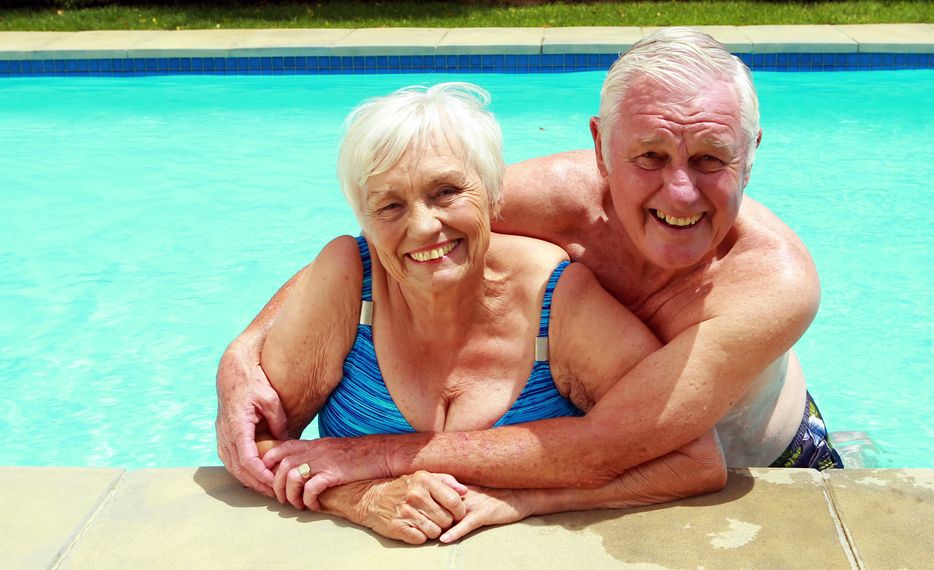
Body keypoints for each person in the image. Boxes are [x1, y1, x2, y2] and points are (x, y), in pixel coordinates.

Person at [217, 27, 841, 511]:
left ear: (751, 155)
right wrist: (246, 347)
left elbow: (609, 446)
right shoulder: (552, 200)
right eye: (649, 155)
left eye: (710, 158)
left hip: (768, 457)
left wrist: (376, 458)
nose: (680, 192)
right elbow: (390, 238)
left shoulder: (773, 282)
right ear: (600, 147)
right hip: (604, 461)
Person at [252, 82, 727, 544]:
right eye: (390, 205)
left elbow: (694, 458)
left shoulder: (557, 300)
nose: (422, 226)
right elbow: (252, 443)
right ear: (364, 219)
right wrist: (360, 496)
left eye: (445, 193)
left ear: (494, 194)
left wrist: (533, 497)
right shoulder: (348, 283)